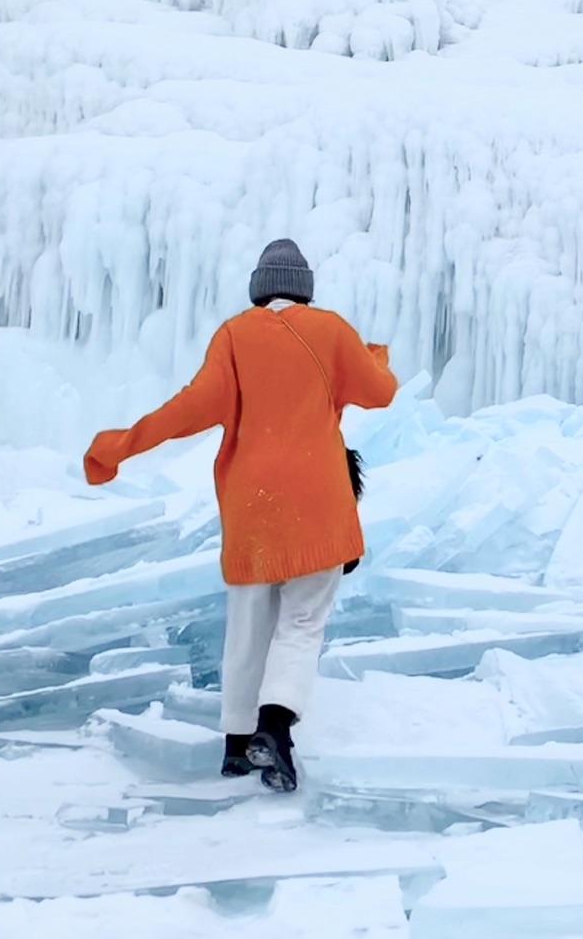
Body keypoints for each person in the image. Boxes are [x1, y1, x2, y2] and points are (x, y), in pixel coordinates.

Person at [82, 239, 396, 790]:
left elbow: (187, 409)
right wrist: (373, 357)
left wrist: (120, 445)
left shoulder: (234, 336)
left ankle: (234, 745)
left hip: (252, 509)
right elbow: (380, 393)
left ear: (259, 290)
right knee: (301, 624)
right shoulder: (331, 330)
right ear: (304, 289)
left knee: (248, 625)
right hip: (319, 503)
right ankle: (274, 728)